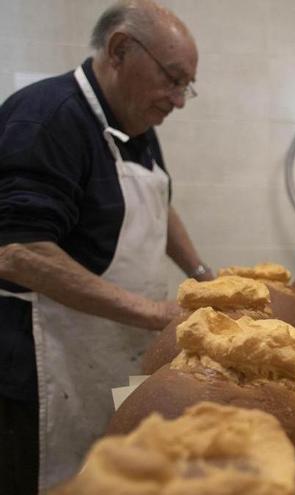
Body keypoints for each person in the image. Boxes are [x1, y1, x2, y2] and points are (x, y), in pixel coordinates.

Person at [0, 1, 212, 492]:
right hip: (42, 365)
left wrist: (205, 278)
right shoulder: (47, 119)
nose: (178, 100)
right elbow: (17, 251)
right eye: (173, 79)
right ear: (120, 50)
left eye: (186, 86)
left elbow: (161, 204)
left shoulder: (135, 124)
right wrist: (156, 313)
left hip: (111, 351)